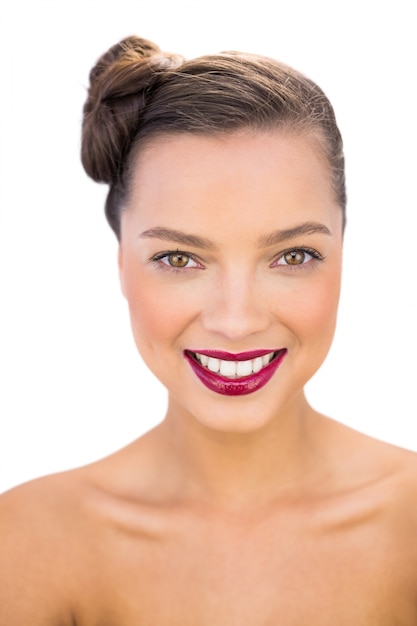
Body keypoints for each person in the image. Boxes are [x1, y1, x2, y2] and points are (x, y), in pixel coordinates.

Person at [1, 35, 417, 625]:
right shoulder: (28, 543)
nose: (237, 320)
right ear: (122, 263)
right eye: (179, 259)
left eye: (293, 256)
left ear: (343, 251)